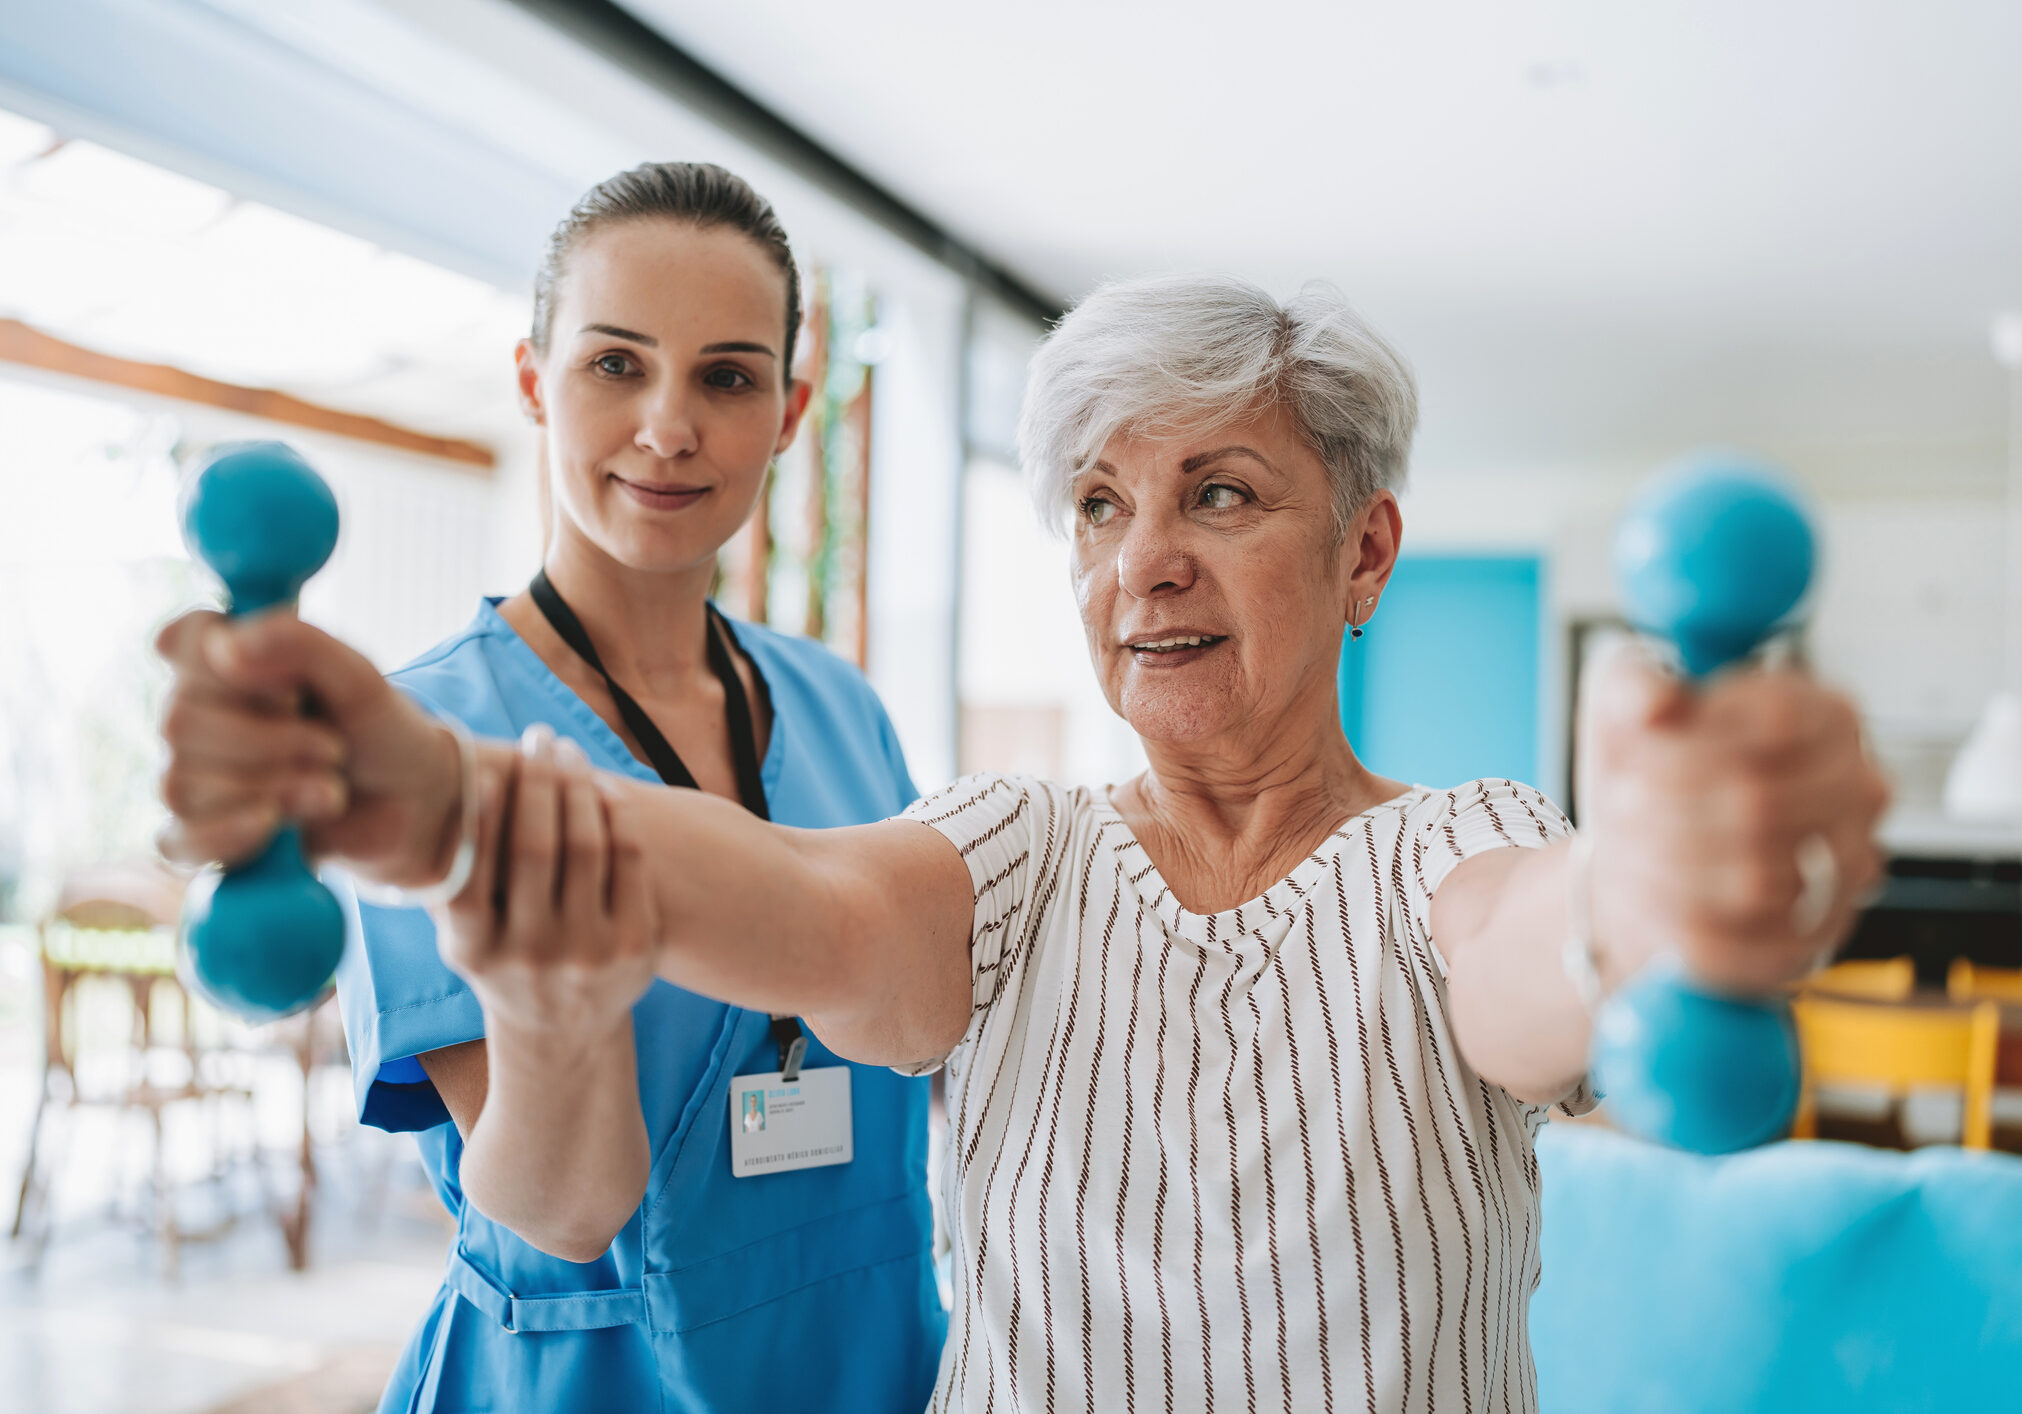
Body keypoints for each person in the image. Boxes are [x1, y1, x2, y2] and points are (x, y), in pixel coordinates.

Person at [157, 274, 1888, 1412]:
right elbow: (797, 894)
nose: (1143, 560)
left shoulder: (1462, 842)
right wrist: (426, 788)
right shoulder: (1019, 847)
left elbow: (1537, 941)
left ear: (1363, 553)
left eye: (1220, 492)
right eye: (1098, 505)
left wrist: (1648, 892)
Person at [158, 163, 944, 1413]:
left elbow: (929, 1030)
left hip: (868, 1365)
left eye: (727, 377)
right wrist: (550, 1000)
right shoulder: (417, 738)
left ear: (789, 412)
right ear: (532, 380)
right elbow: (566, 1211)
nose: (669, 427)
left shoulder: (844, 707)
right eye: (616, 364)